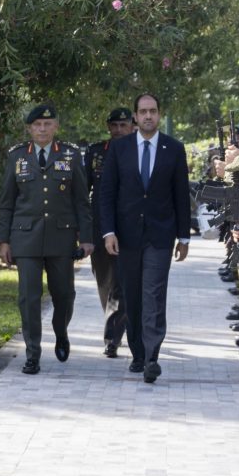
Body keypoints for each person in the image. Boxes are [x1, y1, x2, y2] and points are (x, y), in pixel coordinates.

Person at [98, 93, 190, 384]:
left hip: (160, 236)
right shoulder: (120, 148)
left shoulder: (173, 149)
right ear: (135, 117)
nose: (148, 116)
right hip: (126, 236)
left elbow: (181, 195)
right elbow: (107, 192)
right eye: (143, 111)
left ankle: (152, 356)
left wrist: (184, 236)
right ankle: (137, 353)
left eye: (153, 111)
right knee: (132, 295)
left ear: (159, 114)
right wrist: (108, 231)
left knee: (153, 294)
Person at [0, 104, 93, 375]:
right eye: (37, 124)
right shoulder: (17, 157)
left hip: (61, 237)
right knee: (28, 297)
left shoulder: (70, 155)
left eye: (47, 124)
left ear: (56, 127)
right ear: (29, 128)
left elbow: (81, 201)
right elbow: (6, 203)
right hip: (25, 237)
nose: (42, 129)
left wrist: (86, 238)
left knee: (64, 295)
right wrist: (4, 241)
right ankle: (32, 353)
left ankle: (61, 332)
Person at [85, 107, 134, 357]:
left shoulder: (138, 151)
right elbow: (82, 193)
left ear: (132, 127)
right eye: (114, 125)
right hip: (100, 228)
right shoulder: (95, 153)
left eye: (123, 125)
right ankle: (114, 324)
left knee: (121, 285)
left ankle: (112, 338)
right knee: (104, 282)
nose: (118, 130)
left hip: (129, 228)